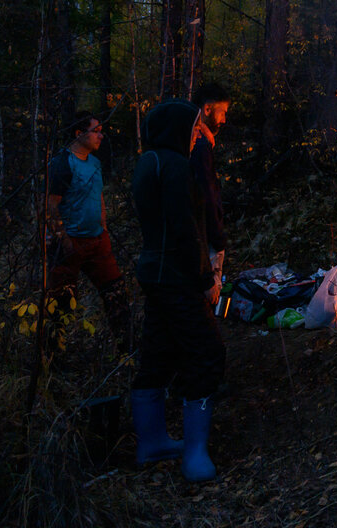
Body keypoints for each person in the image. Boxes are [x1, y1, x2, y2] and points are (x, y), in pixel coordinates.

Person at [130, 99, 226, 483]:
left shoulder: (147, 161)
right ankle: (194, 454)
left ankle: (151, 443)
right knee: (206, 352)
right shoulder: (173, 168)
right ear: (177, 130)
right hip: (177, 277)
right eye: (191, 130)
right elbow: (185, 229)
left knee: (159, 350)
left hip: (152, 272)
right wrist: (205, 279)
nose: (194, 137)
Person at [44, 112, 132, 356]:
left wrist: (103, 227)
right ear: (79, 134)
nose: (100, 135)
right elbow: (50, 205)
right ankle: (54, 359)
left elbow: (99, 196)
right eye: (96, 130)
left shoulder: (94, 163)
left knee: (116, 293)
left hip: (97, 242)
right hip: (69, 244)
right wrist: (62, 237)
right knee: (61, 304)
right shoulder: (62, 163)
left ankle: (128, 350)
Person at [190, 82, 230, 292]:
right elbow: (206, 194)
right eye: (221, 112)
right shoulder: (199, 147)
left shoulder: (197, 145)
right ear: (207, 109)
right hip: (204, 239)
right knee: (208, 295)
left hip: (198, 238)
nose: (224, 119)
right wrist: (218, 238)